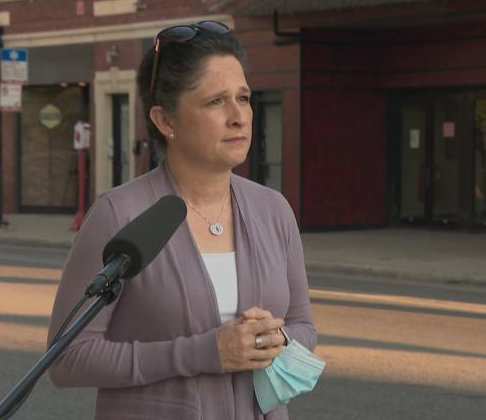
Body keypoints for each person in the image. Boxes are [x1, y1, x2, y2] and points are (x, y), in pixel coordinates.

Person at [47, 21, 317, 420]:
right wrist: (204, 352)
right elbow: (67, 358)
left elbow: (304, 327)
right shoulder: (119, 214)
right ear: (165, 121)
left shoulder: (273, 210)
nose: (238, 117)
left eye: (243, 98)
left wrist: (276, 338)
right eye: (215, 102)